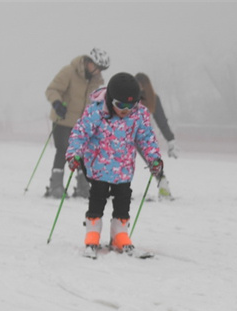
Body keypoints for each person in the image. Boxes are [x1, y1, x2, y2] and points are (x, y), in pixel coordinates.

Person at [66, 73, 164, 257]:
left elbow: (146, 138)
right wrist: (74, 153)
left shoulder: (139, 114)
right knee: (97, 199)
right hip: (99, 167)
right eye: (121, 105)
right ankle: (92, 235)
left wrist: (154, 159)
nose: (126, 110)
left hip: (123, 168)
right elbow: (80, 133)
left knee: (123, 201)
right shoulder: (96, 112)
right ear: (111, 99)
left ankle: (119, 235)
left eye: (130, 105)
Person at [45, 47, 110, 199]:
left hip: (82, 123)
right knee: (63, 150)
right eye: (97, 67)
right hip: (63, 118)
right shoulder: (69, 71)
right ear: (89, 62)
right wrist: (57, 103)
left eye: (101, 69)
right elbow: (52, 89)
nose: (98, 72)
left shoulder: (95, 80)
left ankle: (83, 186)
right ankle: (56, 186)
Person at [136, 72, 178, 200]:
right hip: (132, 134)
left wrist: (170, 140)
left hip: (139, 134)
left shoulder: (151, 98)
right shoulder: (132, 98)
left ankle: (163, 186)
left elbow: (161, 121)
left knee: (153, 161)